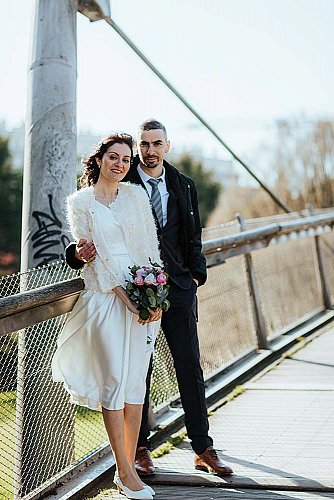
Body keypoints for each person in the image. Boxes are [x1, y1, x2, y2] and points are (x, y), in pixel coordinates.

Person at [66, 119, 233, 476]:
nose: (150, 151)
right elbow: (93, 228)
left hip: (180, 291)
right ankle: (139, 450)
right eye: (145, 144)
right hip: (132, 293)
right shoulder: (122, 182)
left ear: (167, 146)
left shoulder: (183, 185)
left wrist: (196, 275)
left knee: (189, 366)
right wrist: (75, 252)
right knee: (134, 371)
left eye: (157, 144)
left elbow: (194, 236)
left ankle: (203, 448)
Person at [52, 133, 162, 500]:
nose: (120, 164)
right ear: (99, 160)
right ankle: (125, 471)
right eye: (113, 157)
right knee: (114, 380)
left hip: (143, 299)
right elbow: (92, 258)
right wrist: (125, 297)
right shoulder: (80, 203)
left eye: (126, 160)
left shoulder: (135, 197)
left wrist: (154, 295)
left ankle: (126, 470)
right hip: (106, 297)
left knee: (135, 385)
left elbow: (149, 247)